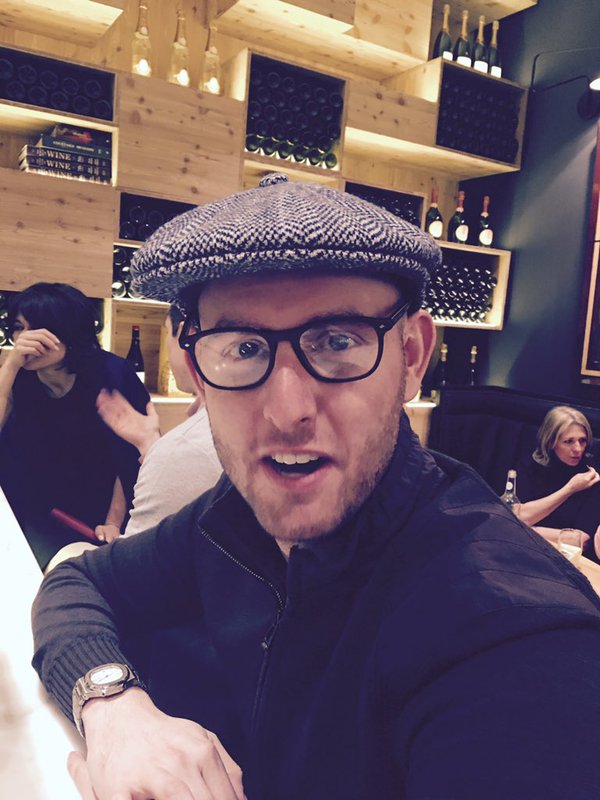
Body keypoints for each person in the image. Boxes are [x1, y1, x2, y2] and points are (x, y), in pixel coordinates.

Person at [32, 175, 600, 800]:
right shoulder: (233, 516)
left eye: (338, 342)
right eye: (244, 349)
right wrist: (114, 708)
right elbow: (78, 582)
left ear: (412, 356)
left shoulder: (518, 644)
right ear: (197, 371)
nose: (287, 411)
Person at [0, 282, 149, 569]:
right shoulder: (18, 374)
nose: (27, 339)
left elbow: (130, 455)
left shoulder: (111, 373)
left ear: (70, 333)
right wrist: (10, 365)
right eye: (19, 328)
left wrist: (113, 521)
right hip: (33, 506)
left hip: (96, 511)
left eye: (39, 328)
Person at [96, 304, 222, 535]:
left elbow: (140, 556)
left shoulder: (186, 449)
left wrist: (164, 453)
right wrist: (153, 446)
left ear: (186, 338)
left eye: (166, 332)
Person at [516, 406, 600, 557]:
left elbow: (582, 540)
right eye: (568, 441)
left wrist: (526, 530)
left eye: (582, 441)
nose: (578, 449)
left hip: (565, 557)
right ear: (551, 442)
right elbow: (518, 516)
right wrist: (569, 489)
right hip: (524, 548)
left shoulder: (590, 476)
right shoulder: (530, 466)